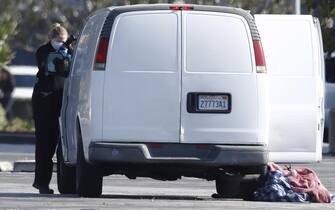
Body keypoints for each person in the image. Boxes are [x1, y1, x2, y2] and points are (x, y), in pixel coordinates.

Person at [32, 23, 72, 194]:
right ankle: (41, 183)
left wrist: (67, 48)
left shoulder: (69, 51)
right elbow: (50, 65)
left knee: (59, 144)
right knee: (44, 144)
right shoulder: (43, 51)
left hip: (60, 100)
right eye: (58, 41)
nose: (60, 43)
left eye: (62, 40)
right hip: (44, 100)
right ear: (51, 39)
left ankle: (65, 183)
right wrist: (62, 49)